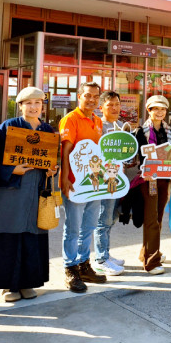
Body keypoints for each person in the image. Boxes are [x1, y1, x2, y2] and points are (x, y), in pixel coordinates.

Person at [0, 87, 59, 301]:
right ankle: (9, 286)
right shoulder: (7, 127)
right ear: (20, 105)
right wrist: (11, 170)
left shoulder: (47, 130)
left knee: (32, 234)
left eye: (38, 103)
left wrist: (53, 169)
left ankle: (28, 282)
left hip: (36, 192)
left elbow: (51, 160)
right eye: (29, 103)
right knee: (8, 235)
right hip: (10, 192)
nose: (34, 107)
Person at [58, 82, 108, 290]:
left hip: (94, 183)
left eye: (96, 97)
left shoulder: (97, 120)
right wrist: (64, 179)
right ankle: (70, 269)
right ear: (79, 97)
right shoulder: (70, 119)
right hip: (75, 183)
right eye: (87, 96)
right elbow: (66, 150)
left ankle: (83, 265)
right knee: (73, 227)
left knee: (89, 226)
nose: (92, 100)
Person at [132, 95, 171, 274]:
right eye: (155, 109)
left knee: (157, 218)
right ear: (149, 110)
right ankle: (151, 262)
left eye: (163, 109)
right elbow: (137, 158)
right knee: (151, 219)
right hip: (148, 179)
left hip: (165, 179)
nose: (159, 112)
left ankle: (148, 252)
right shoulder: (141, 132)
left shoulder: (170, 130)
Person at [93, 90, 128, 275]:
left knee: (112, 217)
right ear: (101, 108)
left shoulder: (122, 126)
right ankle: (100, 259)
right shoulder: (98, 126)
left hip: (119, 179)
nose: (114, 108)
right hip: (104, 180)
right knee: (103, 219)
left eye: (117, 104)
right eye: (109, 105)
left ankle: (106, 253)